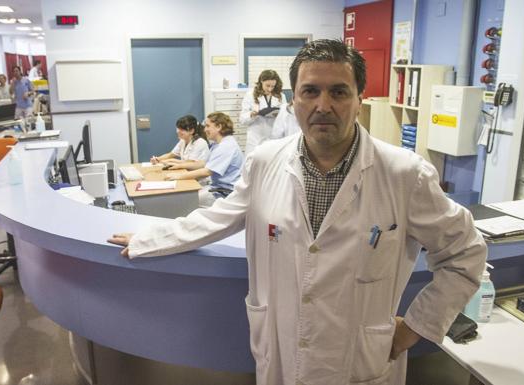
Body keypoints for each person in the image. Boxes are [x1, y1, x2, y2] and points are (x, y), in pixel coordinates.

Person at [109, 39, 486, 385]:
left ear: (359, 99)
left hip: (360, 363)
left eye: (339, 92)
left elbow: (466, 253)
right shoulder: (265, 161)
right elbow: (216, 218)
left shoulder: (404, 174)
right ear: (294, 101)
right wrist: (150, 238)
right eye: (311, 91)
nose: (324, 106)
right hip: (283, 355)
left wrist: (415, 327)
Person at [163, 112, 243, 207]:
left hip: (224, 193)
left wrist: (179, 176)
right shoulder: (218, 144)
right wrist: (178, 164)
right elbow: (203, 164)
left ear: (219, 127)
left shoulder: (226, 146)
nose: (205, 129)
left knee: (184, 202)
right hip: (217, 188)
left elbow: (207, 172)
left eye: (208, 126)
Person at [239, 69, 287, 154]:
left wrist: (279, 114)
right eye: (267, 85)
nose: (270, 89)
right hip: (255, 138)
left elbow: (285, 117)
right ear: (261, 81)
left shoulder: (281, 96)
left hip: (274, 138)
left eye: (273, 86)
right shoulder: (250, 95)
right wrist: (252, 114)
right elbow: (242, 119)